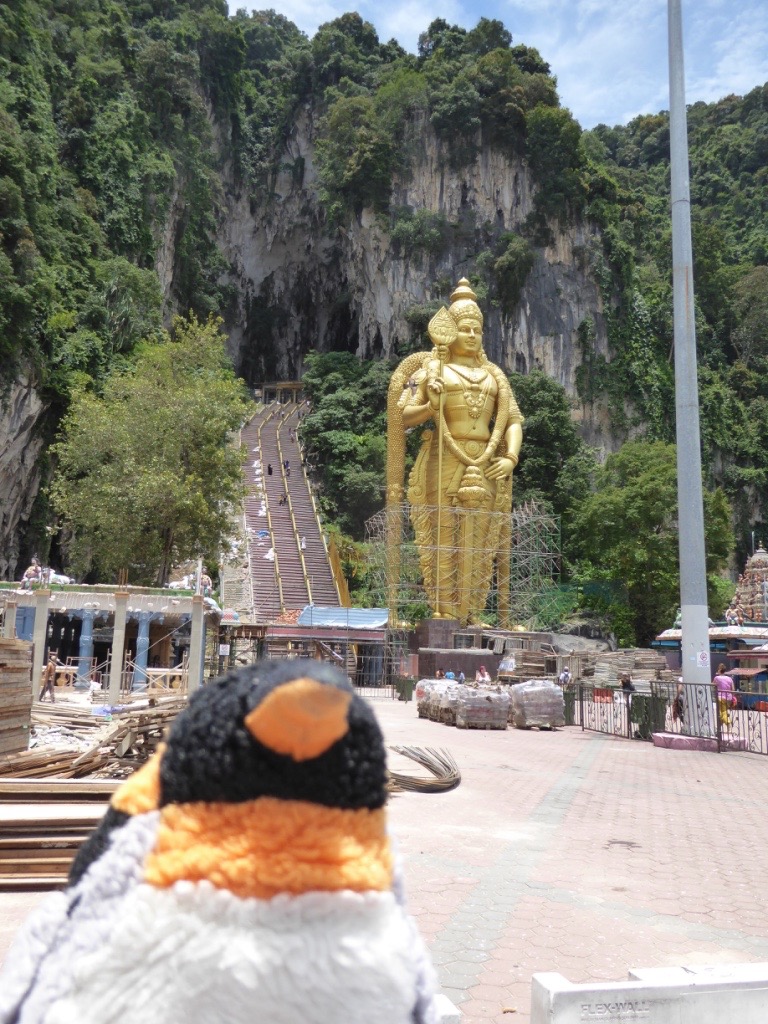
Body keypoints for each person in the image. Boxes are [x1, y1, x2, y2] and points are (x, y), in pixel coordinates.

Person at [388, 278, 524, 624]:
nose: (472, 335)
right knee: (443, 533)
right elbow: (402, 416)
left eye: (477, 329)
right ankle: (444, 609)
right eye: (464, 328)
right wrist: (432, 407)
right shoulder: (434, 370)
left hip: (487, 459)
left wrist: (510, 456)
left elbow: (512, 419)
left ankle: (473, 611)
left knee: (482, 538)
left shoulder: (495, 375)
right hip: (444, 457)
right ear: (450, 332)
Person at [713, 663, 736, 731]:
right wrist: (733, 697)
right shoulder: (729, 678)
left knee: (721, 712)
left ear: (719, 670)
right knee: (724, 711)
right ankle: (719, 728)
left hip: (720, 697)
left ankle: (728, 723)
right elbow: (733, 689)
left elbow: (712, 685)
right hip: (729, 698)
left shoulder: (717, 678)